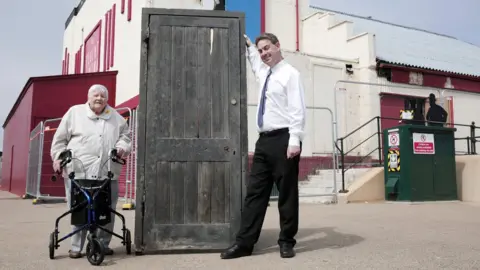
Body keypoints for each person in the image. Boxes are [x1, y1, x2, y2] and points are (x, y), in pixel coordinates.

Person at [220, 33, 306, 259]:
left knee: (287, 194)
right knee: (255, 194)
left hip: (285, 139)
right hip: (264, 141)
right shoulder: (264, 71)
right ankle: (244, 244)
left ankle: (287, 241)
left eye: (267, 48)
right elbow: (255, 63)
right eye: (261, 50)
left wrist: (294, 139)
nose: (264, 53)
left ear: (278, 46)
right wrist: (249, 47)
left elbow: (297, 109)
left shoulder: (290, 74)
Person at [50, 84, 132, 259]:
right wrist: (57, 157)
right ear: (88, 97)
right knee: (78, 208)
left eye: (103, 96)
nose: (99, 98)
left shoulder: (116, 117)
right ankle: (76, 247)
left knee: (107, 209)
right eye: (95, 95)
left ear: (107, 99)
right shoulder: (74, 113)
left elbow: (126, 137)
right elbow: (60, 139)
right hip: (77, 170)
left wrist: (122, 146)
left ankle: (102, 244)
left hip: (107, 170)